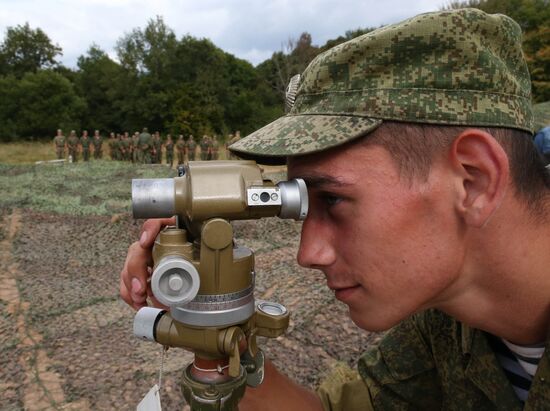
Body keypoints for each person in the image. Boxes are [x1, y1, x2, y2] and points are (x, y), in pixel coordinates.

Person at [120, 9, 550, 410]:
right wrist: (213, 328)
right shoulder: (448, 321)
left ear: (472, 181)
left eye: (333, 200)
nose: (309, 255)